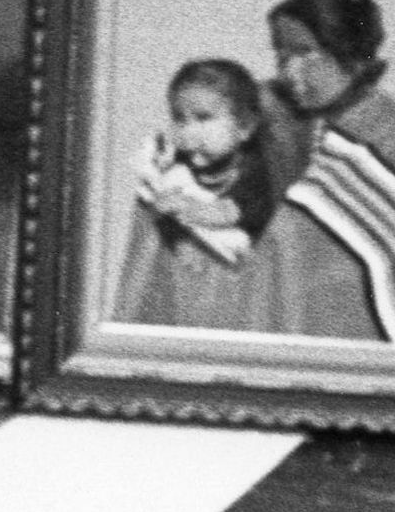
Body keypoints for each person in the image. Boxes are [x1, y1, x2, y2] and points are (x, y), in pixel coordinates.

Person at [246, 0, 395, 347]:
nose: (289, 70)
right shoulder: (282, 108)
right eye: (281, 54)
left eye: (305, 52)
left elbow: (315, 222)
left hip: (359, 302)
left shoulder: (379, 117)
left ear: (345, 53)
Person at [112, 58, 276, 326]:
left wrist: (193, 209)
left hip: (239, 290)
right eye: (179, 118)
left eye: (203, 118)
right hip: (184, 287)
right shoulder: (176, 167)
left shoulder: (254, 170)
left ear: (244, 127)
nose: (188, 131)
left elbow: (243, 210)